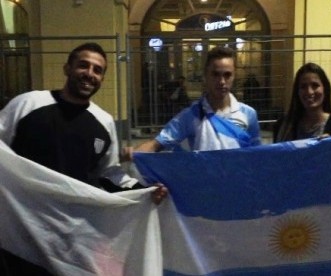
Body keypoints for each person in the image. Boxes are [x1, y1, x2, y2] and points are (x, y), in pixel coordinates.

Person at [0, 42, 167, 275]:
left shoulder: (104, 122)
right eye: (83, 66)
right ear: (67, 68)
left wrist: (145, 192)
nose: (90, 74)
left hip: (71, 233)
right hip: (21, 226)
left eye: (97, 70)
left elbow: (109, 174)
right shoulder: (28, 104)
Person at [133, 46, 261, 152]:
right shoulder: (190, 116)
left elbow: (256, 155)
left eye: (227, 75)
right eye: (215, 74)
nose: (222, 81)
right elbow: (157, 143)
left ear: (234, 76)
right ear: (205, 76)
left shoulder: (248, 114)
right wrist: (132, 153)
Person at [273, 62, 331, 142]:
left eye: (315, 85)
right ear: (297, 91)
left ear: (325, 88)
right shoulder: (283, 127)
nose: (309, 92)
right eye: (303, 86)